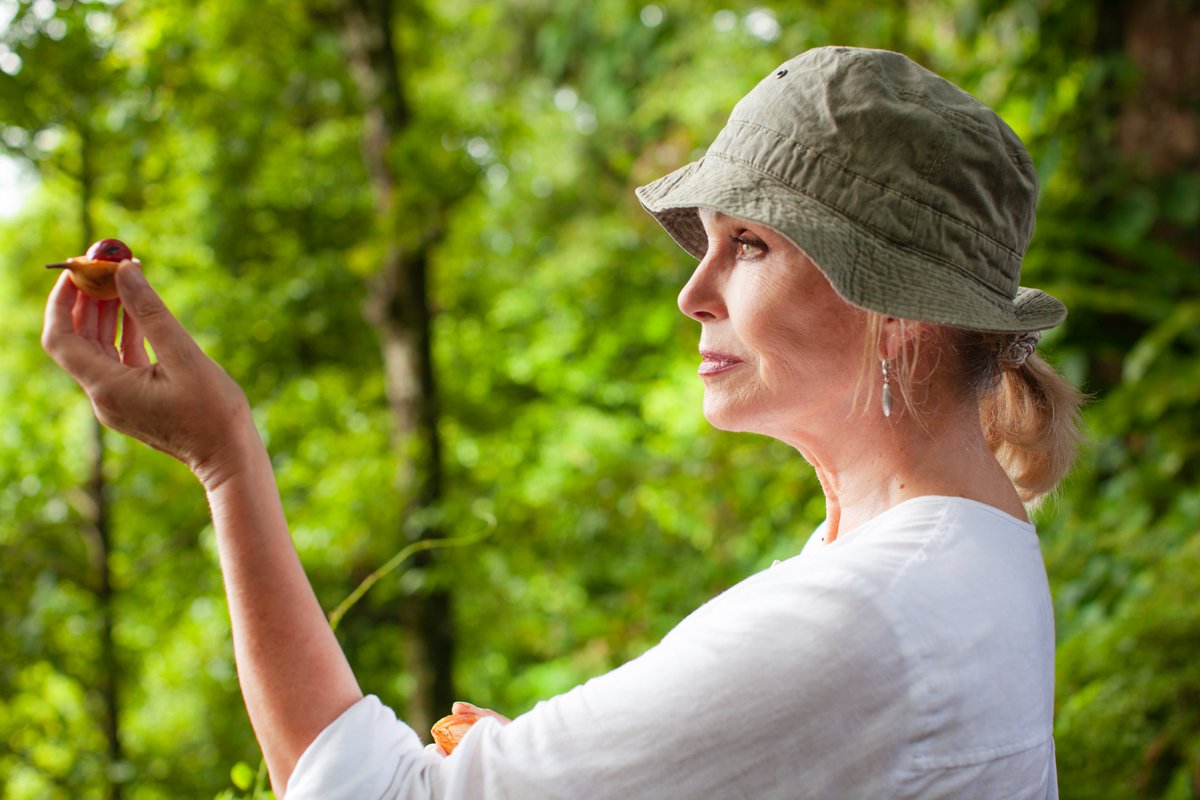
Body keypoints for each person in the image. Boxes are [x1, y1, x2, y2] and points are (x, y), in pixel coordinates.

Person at [43, 46, 1082, 798]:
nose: (695, 292)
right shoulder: (969, 547)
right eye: (704, 243)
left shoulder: (864, 617)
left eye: (751, 245)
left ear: (891, 302)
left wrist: (227, 458)